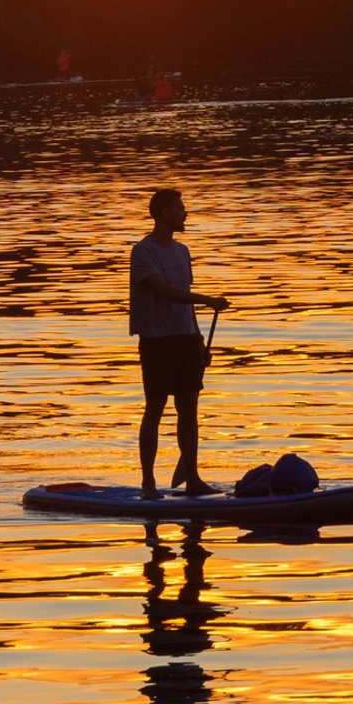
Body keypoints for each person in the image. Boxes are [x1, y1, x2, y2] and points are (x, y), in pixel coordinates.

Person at [130, 187, 229, 496]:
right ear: (163, 213)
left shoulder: (182, 251)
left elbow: (183, 300)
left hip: (186, 338)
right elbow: (163, 291)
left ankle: (194, 479)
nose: (185, 213)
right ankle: (148, 483)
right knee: (155, 408)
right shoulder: (143, 251)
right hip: (157, 340)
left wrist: (199, 341)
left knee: (188, 407)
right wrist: (207, 299)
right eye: (179, 209)